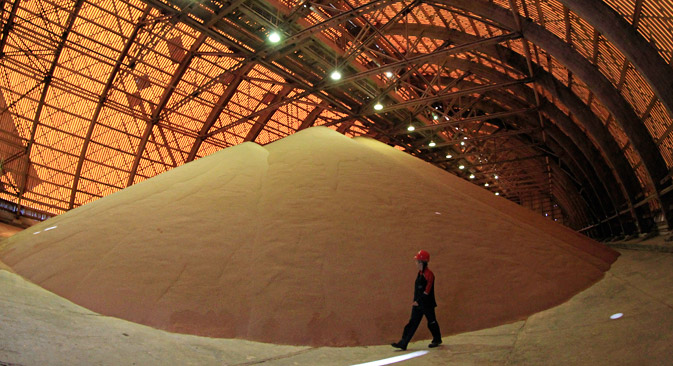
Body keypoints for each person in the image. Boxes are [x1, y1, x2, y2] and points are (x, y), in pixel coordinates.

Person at [391, 249, 442, 350]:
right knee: (412, 323)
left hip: (427, 304)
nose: (416, 263)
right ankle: (403, 343)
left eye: (417, 261)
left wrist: (418, 301)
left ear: (422, 262)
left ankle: (437, 339)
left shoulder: (429, 275)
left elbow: (427, 291)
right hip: (418, 303)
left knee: (431, 322)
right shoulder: (420, 273)